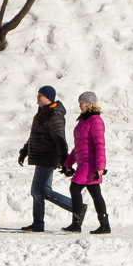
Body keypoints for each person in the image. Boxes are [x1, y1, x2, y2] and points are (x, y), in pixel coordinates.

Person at [17, 85, 71, 232]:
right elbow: (35, 135)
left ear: (48, 98)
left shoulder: (53, 115)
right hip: (41, 156)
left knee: (39, 190)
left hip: (48, 156)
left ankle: (75, 207)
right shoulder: (42, 113)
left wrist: (65, 161)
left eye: (40, 95)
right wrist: (24, 151)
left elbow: (60, 139)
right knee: (41, 191)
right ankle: (38, 223)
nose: (37, 97)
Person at [62, 91, 111, 234]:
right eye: (79, 104)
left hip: (90, 165)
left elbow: (100, 145)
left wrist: (100, 167)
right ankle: (104, 225)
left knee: (75, 188)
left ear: (89, 104)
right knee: (95, 192)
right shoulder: (83, 120)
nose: (80, 106)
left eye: (82, 104)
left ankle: (76, 224)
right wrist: (68, 163)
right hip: (83, 162)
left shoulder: (95, 121)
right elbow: (79, 146)